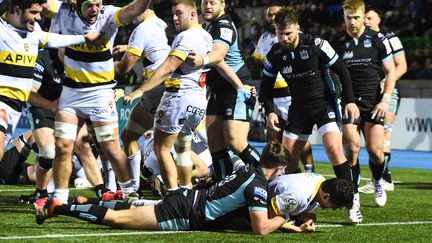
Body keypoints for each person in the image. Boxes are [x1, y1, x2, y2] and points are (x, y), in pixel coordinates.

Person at [36, 141, 288, 235]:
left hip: (187, 198)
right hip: (186, 212)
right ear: (279, 167)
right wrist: (283, 218)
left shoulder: (247, 170)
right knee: (120, 219)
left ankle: (85, 203)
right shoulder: (257, 185)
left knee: (131, 209)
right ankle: (60, 208)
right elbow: (261, 229)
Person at [260, 7, 361, 223]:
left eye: (288, 33)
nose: (284, 38)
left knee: (334, 149)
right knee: (287, 161)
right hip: (298, 109)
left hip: (324, 105)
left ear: (297, 27)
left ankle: (352, 202)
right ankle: (294, 208)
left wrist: (350, 100)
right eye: (280, 33)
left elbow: (342, 69)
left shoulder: (316, 44)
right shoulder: (275, 54)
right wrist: (270, 112)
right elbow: (265, 88)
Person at [46, 0, 151, 204]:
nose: (95, 9)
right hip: (71, 93)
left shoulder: (108, 15)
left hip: (100, 94)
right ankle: (58, 199)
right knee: (62, 146)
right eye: (89, 5)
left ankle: (129, 193)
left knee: (111, 147)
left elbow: (136, 9)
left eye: (98, 4)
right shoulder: (63, 10)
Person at [123, 0, 212, 192]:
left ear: (192, 14)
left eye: (178, 13)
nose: (174, 18)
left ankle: (173, 194)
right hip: (198, 99)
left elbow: (169, 66)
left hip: (178, 97)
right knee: (183, 148)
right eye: (173, 14)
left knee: (161, 148)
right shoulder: (206, 36)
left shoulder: (185, 37)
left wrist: (141, 90)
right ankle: (186, 192)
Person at [0, 0, 99, 163]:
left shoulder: (34, 31)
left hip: (16, 106)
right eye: (33, 13)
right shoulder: (2, 30)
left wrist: (83, 38)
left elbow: (53, 39)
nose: (38, 18)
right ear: (17, 10)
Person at [186, 0, 260, 182]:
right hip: (218, 89)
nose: (207, 6)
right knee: (215, 143)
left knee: (235, 141)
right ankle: (220, 184)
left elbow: (218, 55)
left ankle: (267, 175)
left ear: (223, 5)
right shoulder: (207, 27)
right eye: (204, 2)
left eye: (212, 2)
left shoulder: (223, 25)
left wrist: (202, 60)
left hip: (237, 89)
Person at [334, 0, 396, 211]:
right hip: (349, 102)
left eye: (356, 17)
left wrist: (385, 99)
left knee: (376, 152)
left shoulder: (378, 39)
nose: (352, 22)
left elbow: (391, 72)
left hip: (374, 103)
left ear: (363, 17)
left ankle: (378, 181)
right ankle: (354, 193)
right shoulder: (338, 42)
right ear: (344, 18)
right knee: (351, 148)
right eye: (348, 18)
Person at [252, 1, 314, 173]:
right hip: (271, 93)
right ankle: (282, 171)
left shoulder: (294, 36)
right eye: (269, 15)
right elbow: (257, 58)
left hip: (289, 92)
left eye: (275, 14)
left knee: (296, 134)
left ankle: (309, 168)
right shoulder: (264, 37)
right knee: (274, 135)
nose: (272, 18)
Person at [113, 8, 170, 192]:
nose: (129, 16)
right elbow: (154, 49)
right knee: (175, 144)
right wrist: (128, 48)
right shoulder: (159, 23)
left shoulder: (142, 29)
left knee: (129, 137)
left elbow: (124, 67)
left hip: (155, 88)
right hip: (170, 87)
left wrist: (99, 64)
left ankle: (133, 187)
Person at [359, 6, 407, 193]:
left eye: (370, 18)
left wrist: (385, 81)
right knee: (374, 140)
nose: (366, 21)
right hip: (370, 94)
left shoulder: (389, 38)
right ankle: (380, 178)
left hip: (389, 91)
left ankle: (384, 179)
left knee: (384, 133)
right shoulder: (362, 40)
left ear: (379, 19)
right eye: (365, 18)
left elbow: (402, 66)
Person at [205, 173, 354, 233]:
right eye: (335, 206)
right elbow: (267, 218)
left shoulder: (321, 181)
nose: (334, 210)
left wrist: (308, 217)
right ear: (326, 196)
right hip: (243, 206)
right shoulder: (298, 196)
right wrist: (297, 229)